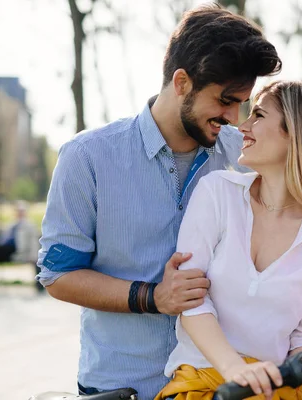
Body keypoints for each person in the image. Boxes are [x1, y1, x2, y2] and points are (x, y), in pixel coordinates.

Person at [36, 4, 282, 399]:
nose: (235, 117)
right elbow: (58, 275)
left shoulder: (246, 159)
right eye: (225, 100)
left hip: (218, 388)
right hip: (123, 386)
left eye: (242, 103)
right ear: (182, 82)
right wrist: (153, 297)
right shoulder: (87, 157)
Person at [155, 80, 302, 400]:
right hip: (204, 382)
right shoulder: (217, 192)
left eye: (259, 116)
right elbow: (190, 300)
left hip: (276, 390)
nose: (242, 125)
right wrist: (236, 370)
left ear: (297, 133)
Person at [0, 201, 40, 293]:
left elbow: (34, 243)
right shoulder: (11, 224)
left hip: (17, 251)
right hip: (6, 249)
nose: (19, 213)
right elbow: (3, 239)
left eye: (21, 211)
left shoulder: (29, 226)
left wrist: (34, 257)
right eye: (18, 211)